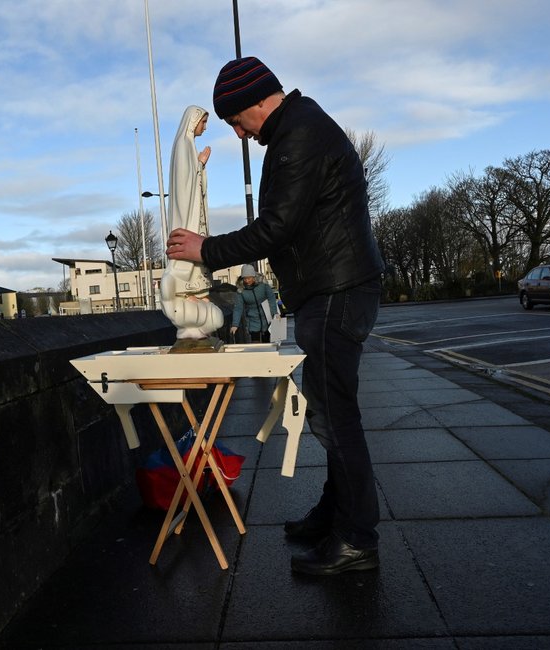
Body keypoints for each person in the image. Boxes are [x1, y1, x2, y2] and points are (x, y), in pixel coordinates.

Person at [166, 56, 385, 575]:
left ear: (255, 102)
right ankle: (337, 517)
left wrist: (205, 249)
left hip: (337, 290)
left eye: (236, 120)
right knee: (331, 413)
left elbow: (277, 227)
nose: (239, 133)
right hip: (333, 288)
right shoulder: (300, 128)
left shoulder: (300, 135)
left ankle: (356, 539)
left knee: (337, 418)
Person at [159, 105, 223, 340]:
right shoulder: (184, 146)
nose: (204, 128)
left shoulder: (188, 146)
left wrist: (200, 166)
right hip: (189, 218)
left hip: (193, 216)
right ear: (193, 121)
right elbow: (186, 186)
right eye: (203, 123)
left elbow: (191, 181)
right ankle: (190, 295)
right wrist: (199, 165)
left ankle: (198, 296)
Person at [230, 263, 277, 343]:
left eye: (249, 278)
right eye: (245, 278)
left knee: (268, 344)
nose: (247, 281)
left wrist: (275, 313)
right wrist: (235, 324)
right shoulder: (241, 290)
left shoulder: (263, 285)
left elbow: (271, 298)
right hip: (252, 321)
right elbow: (238, 308)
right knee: (256, 344)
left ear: (254, 276)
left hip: (267, 318)